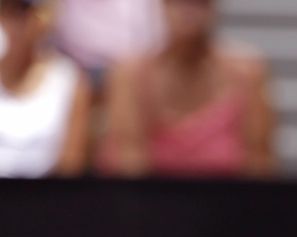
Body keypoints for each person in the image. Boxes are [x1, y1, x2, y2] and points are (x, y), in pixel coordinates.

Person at [98, 0, 275, 178]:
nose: (188, 12)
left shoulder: (248, 74)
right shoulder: (129, 75)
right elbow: (128, 165)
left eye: (199, 3)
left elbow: (259, 166)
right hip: (148, 203)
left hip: (228, 203)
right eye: (178, 3)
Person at [0, 0, 91, 177]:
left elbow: (70, 166)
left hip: (45, 199)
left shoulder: (69, 81)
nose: (13, 26)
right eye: (6, 14)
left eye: (22, 14)